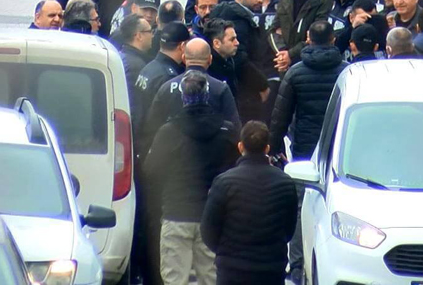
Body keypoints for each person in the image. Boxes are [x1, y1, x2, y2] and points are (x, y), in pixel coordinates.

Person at [144, 70, 239, 285]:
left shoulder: (168, 132)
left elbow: (151, 170)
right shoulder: (225, 131)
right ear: (207, 95)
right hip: (211, 214)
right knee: (211, 278)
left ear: (183, 97)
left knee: (175, 278)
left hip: (177, 211)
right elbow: (234, 166)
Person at [270, 21, 347, 284]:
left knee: (302, 206)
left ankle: (297, 264)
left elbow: (280, 116)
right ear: (333, 39)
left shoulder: (296, 73)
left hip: (305, 149)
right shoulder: (346, 72)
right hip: (339, 149)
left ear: (308, 39)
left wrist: (274, 147)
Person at [201, 121, 298, 285]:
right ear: (267, 148)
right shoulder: (286, 184)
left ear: (240, 147)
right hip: (271, 271)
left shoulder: (223, 183)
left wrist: (226, 253)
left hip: (232, 272)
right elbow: (289, 230)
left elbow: (208, 232)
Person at [144, 38, 241, 141]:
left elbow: (152, 126)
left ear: (184, 58)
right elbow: (235, 128)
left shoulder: (166, 88)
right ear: (210, 59)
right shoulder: (221, 89)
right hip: (214, 148)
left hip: (174, 147)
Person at [209, 0, 271, 124]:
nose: (260, 0)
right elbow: (239, 58)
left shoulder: (235, 16)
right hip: (245, 92)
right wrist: (262, 85)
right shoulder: (238, 21)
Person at [132, 22, 190, 156]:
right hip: (157, 146)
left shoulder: (149, 67)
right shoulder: (169, 77)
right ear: (182, 46)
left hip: (141, 141)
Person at [270, 0, 334, 73]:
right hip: (284, 62)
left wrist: (291, 54)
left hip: (311, 63)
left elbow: (316, 35)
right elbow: (273, 30)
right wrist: (283, 54)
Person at [118, 14, 154, 99]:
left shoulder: (119, 56)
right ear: (139, 36)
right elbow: (136, 101)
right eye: (150, 31)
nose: (152, 36)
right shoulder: (136, 67)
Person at [204, 19, 239, 98]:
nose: (237, 43)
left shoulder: (229, 61)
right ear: (216, 43)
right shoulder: (209, 69)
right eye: (232, 39)